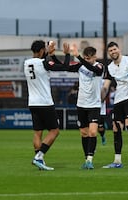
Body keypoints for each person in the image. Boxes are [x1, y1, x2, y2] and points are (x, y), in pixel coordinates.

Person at [51, 43, 104, 169]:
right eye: (85, 58)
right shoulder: (80, 66)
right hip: (81, 104)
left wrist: (79, 57)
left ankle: (90, 159)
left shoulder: (100, 66)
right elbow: (64, 67)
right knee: (84, 134)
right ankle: (86, 159)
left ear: (95, 57)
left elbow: (94, 70)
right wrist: (60, 55)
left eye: (89, 58)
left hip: (94, 105)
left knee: (92, 132)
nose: (87, 60)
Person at [24, 40, 70, 171]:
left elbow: (44, 64)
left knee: (37, 133)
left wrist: (49, 54)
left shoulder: (26, 63)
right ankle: (39, 156)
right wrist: (66, 54)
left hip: (32, 103)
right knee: (55, 131)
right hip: (45, 103)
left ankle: (40, 161)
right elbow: (64, 67)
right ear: (41, 51)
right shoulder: (43, 63)